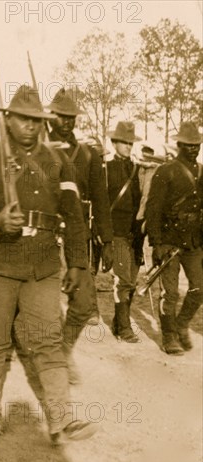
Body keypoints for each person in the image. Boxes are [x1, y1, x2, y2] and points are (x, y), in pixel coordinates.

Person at [0, 84, 96, 443]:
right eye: (23, 119)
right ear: (8, 119)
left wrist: (78, 263)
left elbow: (75, 216)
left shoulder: (58, 161)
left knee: (48, 340)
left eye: (36, 120)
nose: (31, 126)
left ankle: (61, 420)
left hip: (44, 263)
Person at [46, 88, 114, 382]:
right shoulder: (39, 150)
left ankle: (62, 351)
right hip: (45, 232)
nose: (66, 122)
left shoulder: (88, 154)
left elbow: (101, 200)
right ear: (50, 117)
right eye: (61, 116)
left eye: (70, 117)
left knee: (84, 302)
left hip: (77, 232)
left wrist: (107, 241)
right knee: (43, 300)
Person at [145, 121, 203, 355]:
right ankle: (169, 336)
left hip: (193, 241)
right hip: (169, 241)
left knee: (199, 288)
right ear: (179, 145)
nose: (193, 149)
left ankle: (181, 325)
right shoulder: (165, 170)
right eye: (188, 145)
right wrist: (156, 243)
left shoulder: (202, 172)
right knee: (170, 293)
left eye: (197, 144)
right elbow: (152, 209)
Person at [106, 122, 143, 342]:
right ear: (114, 143)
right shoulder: (106, 169)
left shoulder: (137, 169)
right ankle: (125, 328)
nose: (128, 146)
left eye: (130, 143)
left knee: (132, 280)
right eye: (124, 142)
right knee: (123, 281)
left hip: (134, 233)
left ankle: (119, 323)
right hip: (116, 231)